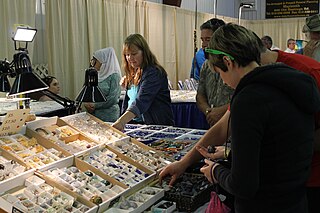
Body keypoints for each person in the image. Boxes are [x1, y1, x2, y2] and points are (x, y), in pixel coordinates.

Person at [160, 24, 320, 213]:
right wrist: (230, 153)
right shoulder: (291, 83)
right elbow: (278, 150)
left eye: (220, 74)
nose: (225, 83)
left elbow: (243, 185)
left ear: (228, 62)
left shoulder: (249, 99)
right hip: (295, 201)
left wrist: (215, 171)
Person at [112, 34, 174, 131]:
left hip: (156, 127)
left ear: (144, 52)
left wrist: (121, 121)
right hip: (136, 125)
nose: (130, 58)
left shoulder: (154, 72)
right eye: (127, 55)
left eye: (134, 54)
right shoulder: (134, 71)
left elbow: (141, 101)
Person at [196, 18, 234, 127]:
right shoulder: (206, 66)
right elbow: (200, 94)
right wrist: (209, 112)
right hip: (213, 124)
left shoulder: (234, 65)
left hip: (233, 123)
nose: (204, 45)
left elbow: (246, 98)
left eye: (208, 39)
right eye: (202, 40)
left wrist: (222, 111)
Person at [84, 47, 122, 122]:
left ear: (103, 61)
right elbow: (87, 92)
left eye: (96, 60)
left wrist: (95, 105)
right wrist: (86, 103)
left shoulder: (114, 76)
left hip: (109, 117)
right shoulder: (95, 74)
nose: (93, 63)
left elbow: (113, 98)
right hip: (93, 116)